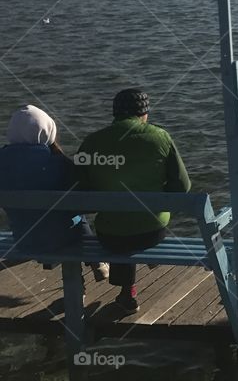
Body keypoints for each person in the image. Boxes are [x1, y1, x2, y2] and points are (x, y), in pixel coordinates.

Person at [75, 89, 191, 314]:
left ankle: (128, 293)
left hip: (110, 235)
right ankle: (135, 282)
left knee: (119, 226)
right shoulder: (159, 136)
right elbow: (182, 188)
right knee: (140, 219)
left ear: (115, 113)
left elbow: (80, 191)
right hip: (152, 231)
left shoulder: (92, 142)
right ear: (144, 112)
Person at [0, 105, 108, 281]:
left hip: (23, 238)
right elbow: (85, 201)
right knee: (77, 217)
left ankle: (89, 270)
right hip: (60, 239)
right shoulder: (58, 163)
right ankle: (95, 263)